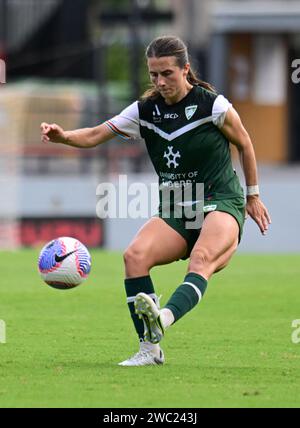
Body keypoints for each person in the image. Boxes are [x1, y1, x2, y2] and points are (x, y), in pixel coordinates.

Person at [41, 36, 271, 367]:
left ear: (186, 70)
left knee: (202, 258)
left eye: (167, 73)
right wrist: (64, 137)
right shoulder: (145, 111)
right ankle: (149, 350)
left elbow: (246, 144)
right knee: (134, 256)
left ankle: (161, 320)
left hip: (220, 199)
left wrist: (253, 195)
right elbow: (95, 134)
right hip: (177, 207)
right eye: (153, 75)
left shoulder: (213, 106)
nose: (160, 82)